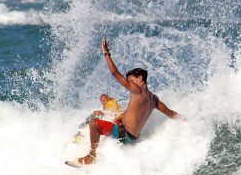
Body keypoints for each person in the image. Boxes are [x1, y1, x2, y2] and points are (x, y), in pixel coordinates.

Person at [76, 37, 180, 165]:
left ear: (140, 79)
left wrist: (106, 53)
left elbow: (114, 73)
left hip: (124, 135)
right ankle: (105, 116)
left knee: (94, 123)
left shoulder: (137, 90)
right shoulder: (154, 99)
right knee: (104, 98)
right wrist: (189, 120)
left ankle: (91, 156)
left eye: (131, 81)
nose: (129, 84)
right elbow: (171, 114)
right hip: (124, 125)